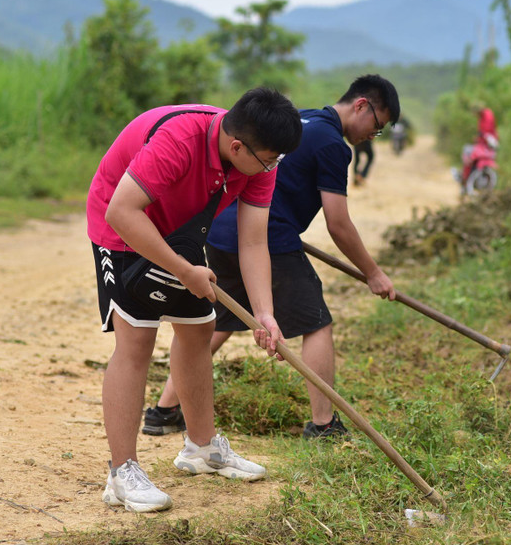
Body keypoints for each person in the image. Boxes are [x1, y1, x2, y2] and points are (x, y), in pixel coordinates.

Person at [145, 74, 400, 440]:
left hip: (220, 233)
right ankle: (324, 424)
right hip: (265, 237)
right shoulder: (333, 145)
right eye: (377, 127)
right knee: (316, 322)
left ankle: (164, 410)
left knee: (224, 319)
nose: (372, 135)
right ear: (361, 105)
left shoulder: (301, 119)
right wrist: (373, 273)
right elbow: (338, 223)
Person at [87, 88, 302, 512]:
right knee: (136, 341)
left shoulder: (260, 157)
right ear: (237, 146)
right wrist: (185, 270)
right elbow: (122, 212)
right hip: (124, 224)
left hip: (179, 230)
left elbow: (254, 239)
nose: (272, 167)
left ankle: (201, 449)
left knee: (199, 327)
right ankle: (122, 473)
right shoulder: (179, 141)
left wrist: (264, 313)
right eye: (269, 160)